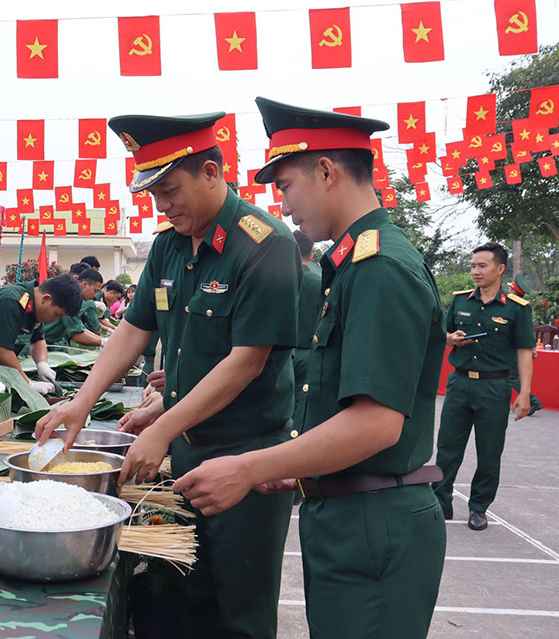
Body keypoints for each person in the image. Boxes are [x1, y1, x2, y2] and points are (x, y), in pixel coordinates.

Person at [170, 98, 447, 639]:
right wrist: (296, 467)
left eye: (286, 185)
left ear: (325, 171)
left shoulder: (379, 267)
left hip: (373, 520)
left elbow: (376, 424)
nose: (284, 205)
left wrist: (247, 467)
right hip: (347, 511)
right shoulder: (348, 264)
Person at [36, 111, 301, 639]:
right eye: (154, 194)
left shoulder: (264, 244)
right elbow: (133, 330)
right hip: (187, 451)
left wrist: (162, 429)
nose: (163, 205)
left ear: (210, 172)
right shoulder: (168, 245)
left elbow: (246, 361)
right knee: (189, 601)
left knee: (239, 611)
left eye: (170, 190)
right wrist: (81, 401)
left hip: (246, 456)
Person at [433, 242, 535, 531]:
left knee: (489, 452)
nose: (475, 271)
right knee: (447, 448)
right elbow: (442, 335)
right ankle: (440, 502)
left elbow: (524, 351)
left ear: (500, 269)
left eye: (482, 266)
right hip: (460, 383)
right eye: (473, 266)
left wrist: (524, 392)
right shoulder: (460, 301)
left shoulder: (516, 308)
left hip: (495, 387)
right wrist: (451, 340)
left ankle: (479, 507)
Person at [0, 274, 81, 394]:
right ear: (46, 299)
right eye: (57, 314)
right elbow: (2, 352)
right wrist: (28, 384)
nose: (56, 320)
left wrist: (42, 364)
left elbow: (38, 340)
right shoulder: (10, 302)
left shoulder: (36, 307)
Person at [292, 230, 322, 428]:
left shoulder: (272, 278)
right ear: (311, 256)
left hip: (275, 355)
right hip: (307, 355)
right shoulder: (320, 283)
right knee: (299, 411)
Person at [507, 274, 543, 416]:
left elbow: (525, 331)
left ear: (514, 290)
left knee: (512, 376)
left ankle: (533, 401)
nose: (508, 290)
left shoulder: (519, 307)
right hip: (512, 347)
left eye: (510, 288)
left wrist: (531, 347)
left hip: (515, 348)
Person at [44, 270, 106, 348]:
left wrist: (102, 340)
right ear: (84, 284)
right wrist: (104, 342)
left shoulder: (75, 298)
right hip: (44, 344)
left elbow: (79, 328)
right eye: (95, 291)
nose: (95, 295)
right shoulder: (70, 298)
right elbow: (78, 335)